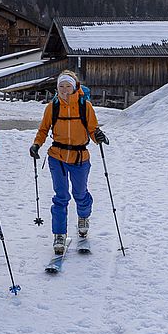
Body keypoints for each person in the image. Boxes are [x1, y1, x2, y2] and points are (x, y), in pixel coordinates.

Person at [30, 70, 108, 254]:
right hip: (57, 157)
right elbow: (43, 129)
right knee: (61, 196)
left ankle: (83, 217)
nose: (65, 90)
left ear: (74, 87)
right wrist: (36, 145)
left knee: (80, 194)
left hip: (80, 157)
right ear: (57, 88)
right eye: (61, 86)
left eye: (68, 86)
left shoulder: (85, 106)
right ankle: (59, 235)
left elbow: (92, 129)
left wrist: (98, 137)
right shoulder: (52, 107)